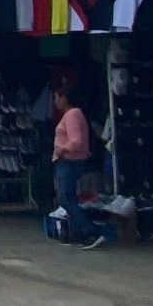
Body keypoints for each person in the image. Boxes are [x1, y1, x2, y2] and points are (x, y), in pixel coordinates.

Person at [50, 76, 93, 244]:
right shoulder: (75, 114)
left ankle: (88, 230)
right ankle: (77, 231)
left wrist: (61, 150)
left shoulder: (72, 114)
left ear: (64, 98)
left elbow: (76, 141)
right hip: (72, 160)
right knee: (69, 198)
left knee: (66, 199)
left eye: (57, 98)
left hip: (69, 160)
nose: (55, 102)